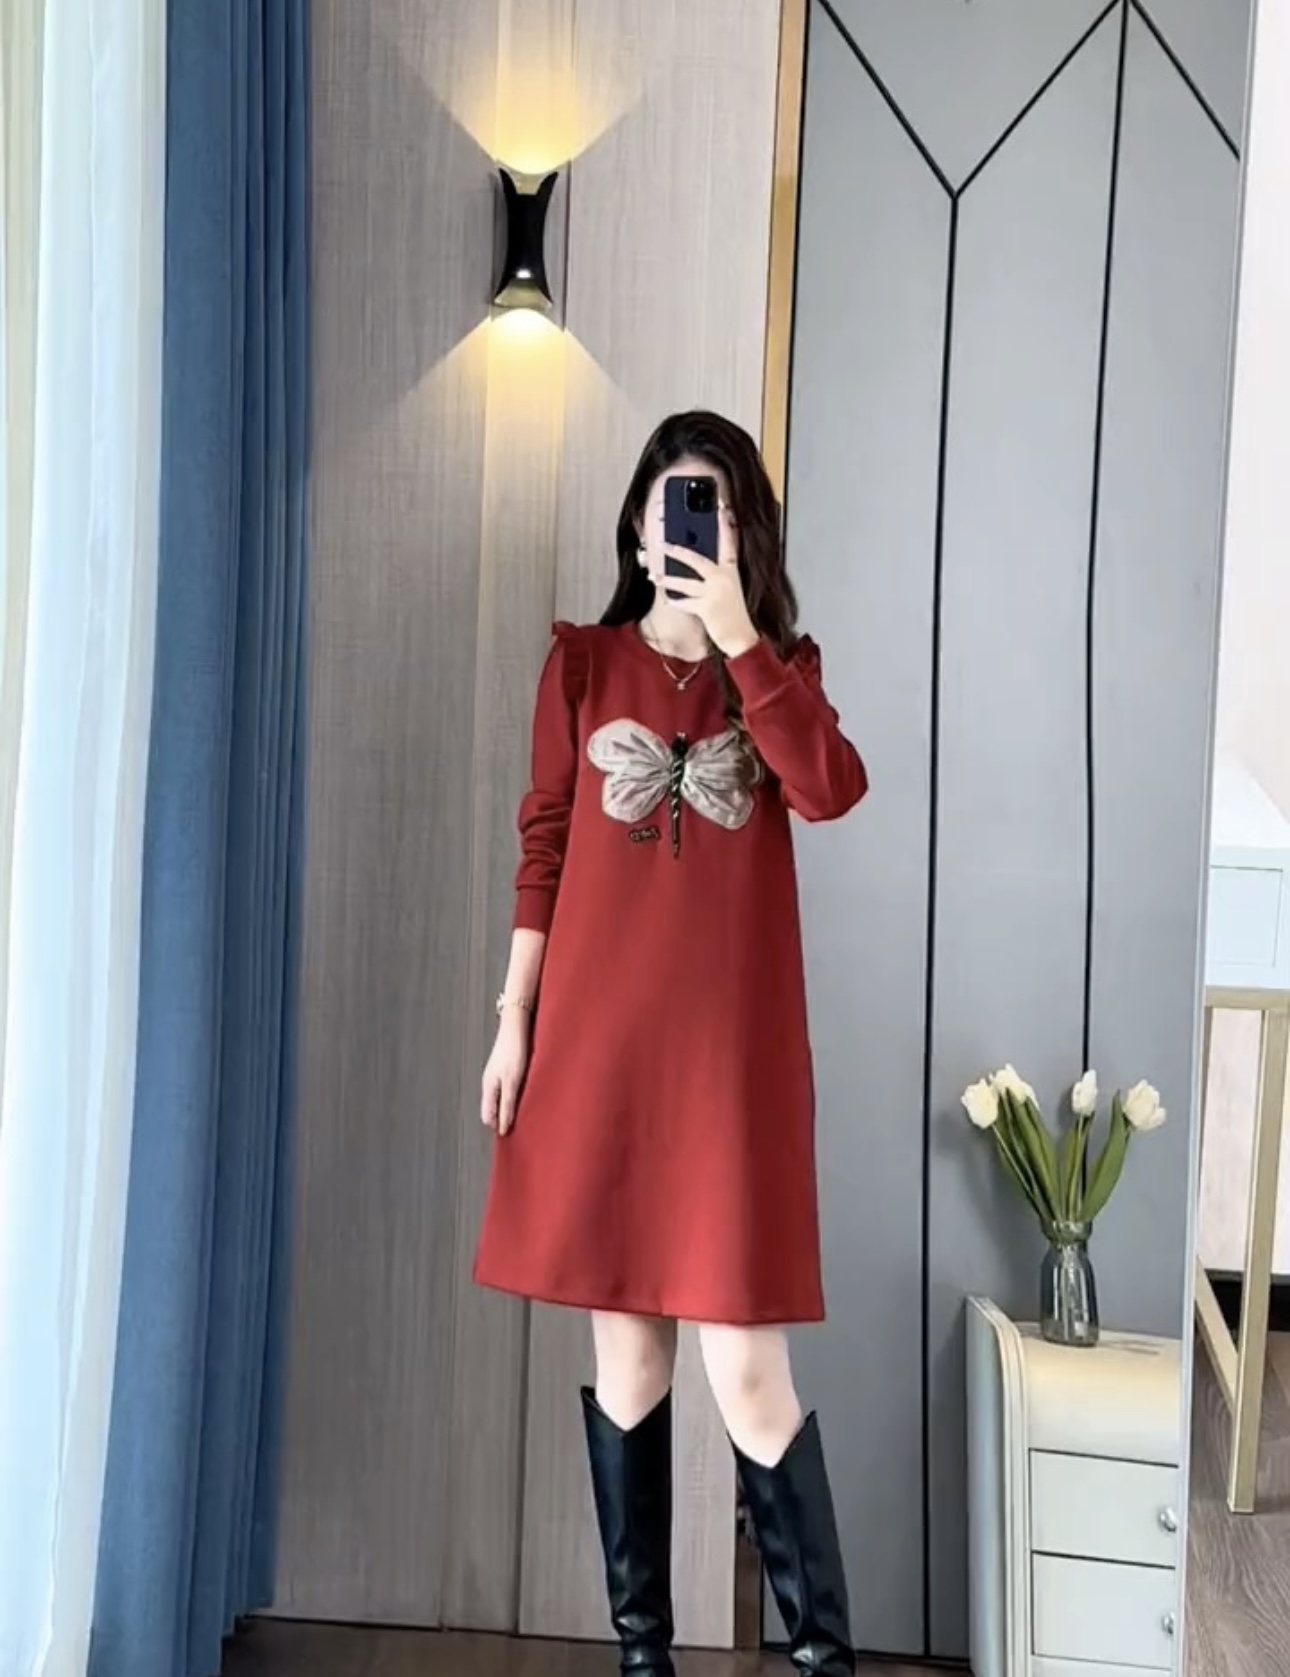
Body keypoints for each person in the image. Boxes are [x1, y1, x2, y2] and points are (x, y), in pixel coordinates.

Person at [473, 410, 868, 1676]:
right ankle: (642, 1660)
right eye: (671, 502)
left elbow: (828, 790)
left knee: (748, 1376)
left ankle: (824, 1665)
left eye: (715, 507)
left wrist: (745, 640)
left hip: (728, 1077)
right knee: (630, 1366)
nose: (687, 526)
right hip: (598, 1058)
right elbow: (545, 851)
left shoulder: (782, 674)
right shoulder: (583, 667)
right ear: (639, 527)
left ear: (745, 536)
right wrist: (514, 1024)